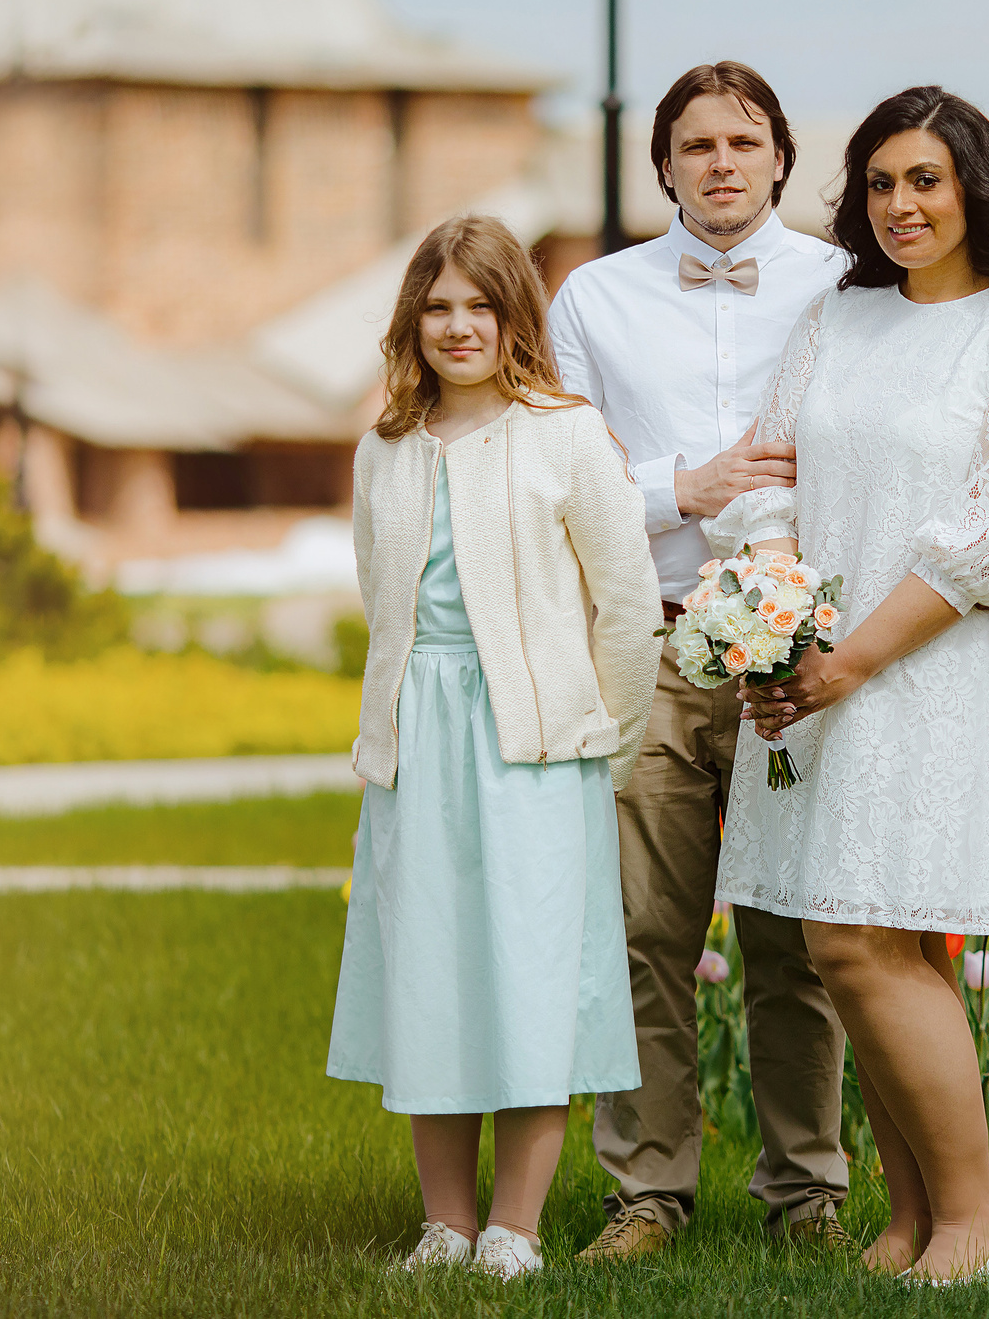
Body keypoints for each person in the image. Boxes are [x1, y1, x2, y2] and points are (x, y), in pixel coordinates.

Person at [546, 62, 989, 1263]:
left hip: (837, 653)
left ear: (779, 159)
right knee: (647, 934)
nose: (720, 162)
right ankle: (648, 1197)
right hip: (661, 631)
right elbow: (556, 478)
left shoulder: (857, 281)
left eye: (744, 141)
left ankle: (810, 1197)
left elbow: (983, 466)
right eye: (694, 146)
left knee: (818, 942)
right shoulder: (593, 300)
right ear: (661, 165)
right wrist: (689, 491)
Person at [712, 85, 989, 1284]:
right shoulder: (836, 320)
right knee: (871, 941)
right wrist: (780, 638)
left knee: (857, 936)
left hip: (925, 672)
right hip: (815, 670)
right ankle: (907, 1219)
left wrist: (855, 658)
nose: (900, 205)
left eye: (925, 180)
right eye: (881, 183)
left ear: (977, 188)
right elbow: (768, 481)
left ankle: (974, 1224)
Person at [326, 213, 662, 1281]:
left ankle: (514, 1227)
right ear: (411, 322)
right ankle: (446, 1224)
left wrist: (601, 741)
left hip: (536, 748)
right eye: (437, 308)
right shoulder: (382, 452)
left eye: (479, 305)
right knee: (432, 972)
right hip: (420, 742)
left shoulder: (563, 434)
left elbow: (626, 603)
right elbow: (385, 603)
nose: (458, 326)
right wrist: (388, 727)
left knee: (526, 977)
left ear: (514, 314)